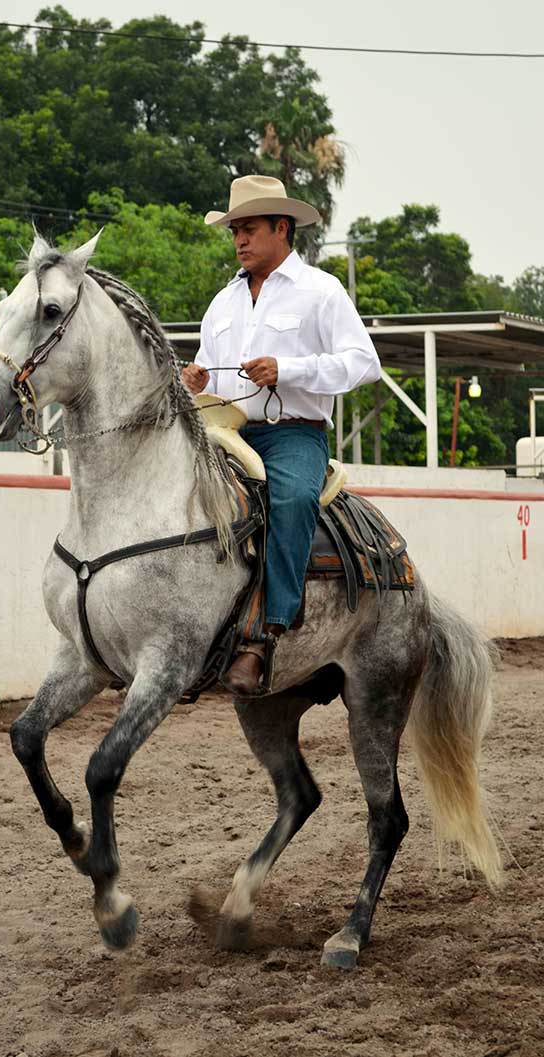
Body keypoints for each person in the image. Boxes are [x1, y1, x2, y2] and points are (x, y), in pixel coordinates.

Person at [182, 175, 380, 694]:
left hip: (293, 435)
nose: (240, 240)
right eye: (235, 232)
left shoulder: (322, 290)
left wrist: (288, 371)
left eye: (249, 229)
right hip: (227, 432)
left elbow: (364, 364)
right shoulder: (223, 302)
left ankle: (267, 631)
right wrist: (193, 379)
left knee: (291, 499)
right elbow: (207, 366)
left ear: (282, 228)